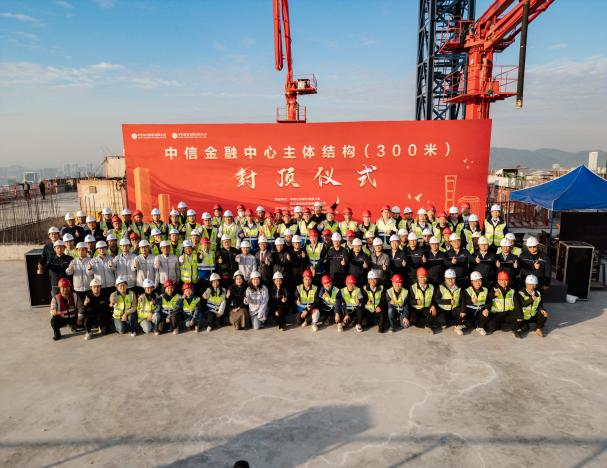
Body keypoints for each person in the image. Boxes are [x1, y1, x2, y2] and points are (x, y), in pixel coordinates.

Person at [477, 271, 520, 337]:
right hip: (497, 314)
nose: (504, 282)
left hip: (508, 313)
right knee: (491, 327)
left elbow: (517, 304)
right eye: (502, 280)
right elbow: (488, 299)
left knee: (517, 325)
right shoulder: (494, 289)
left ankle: (504, 324)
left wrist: (519, 315)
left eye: (505, 280)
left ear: (508, 281)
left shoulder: (512, 290)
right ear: (498, 281)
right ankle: (499, 325)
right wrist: (494, 295)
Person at [406, 267, 437, 334]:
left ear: (427, 277)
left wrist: (433, 306)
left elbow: (434, 299)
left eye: (424, 277)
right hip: (416, 309)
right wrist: (416, 301)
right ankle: (426, 324)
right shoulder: (413, 287)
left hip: (427, 308)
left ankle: (428, 324)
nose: (423, 279)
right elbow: (409, 300)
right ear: (417, 277)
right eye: (421, 277)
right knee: (412, 320)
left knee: (433, 313)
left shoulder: (431, 287)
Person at [433, 269, 460, 334]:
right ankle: (451, 322)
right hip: (444, 309)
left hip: (455, 308)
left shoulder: (459, 287)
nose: (450, 280)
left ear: (455, 278)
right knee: (442, 321)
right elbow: (437, 299)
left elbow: (462, 299)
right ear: (445, 278)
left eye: (452, 278)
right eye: (448, 278)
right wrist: (448, 302)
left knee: (463, 316)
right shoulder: (441, 287)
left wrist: (463, 310)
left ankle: (453, 322)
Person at [462, 271, 489, 336]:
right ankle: (475, 324)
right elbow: (464, 301)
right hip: (470, 312)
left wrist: (487, 309)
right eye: (475, 281)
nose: (478, 283)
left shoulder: (485, 290)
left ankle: (480, 327)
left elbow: (488, 301)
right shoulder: (468, 290)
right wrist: (471, 301)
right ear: (472, 282)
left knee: (486, 314)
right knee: (469, 324)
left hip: (480, 311)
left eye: (479, 280)